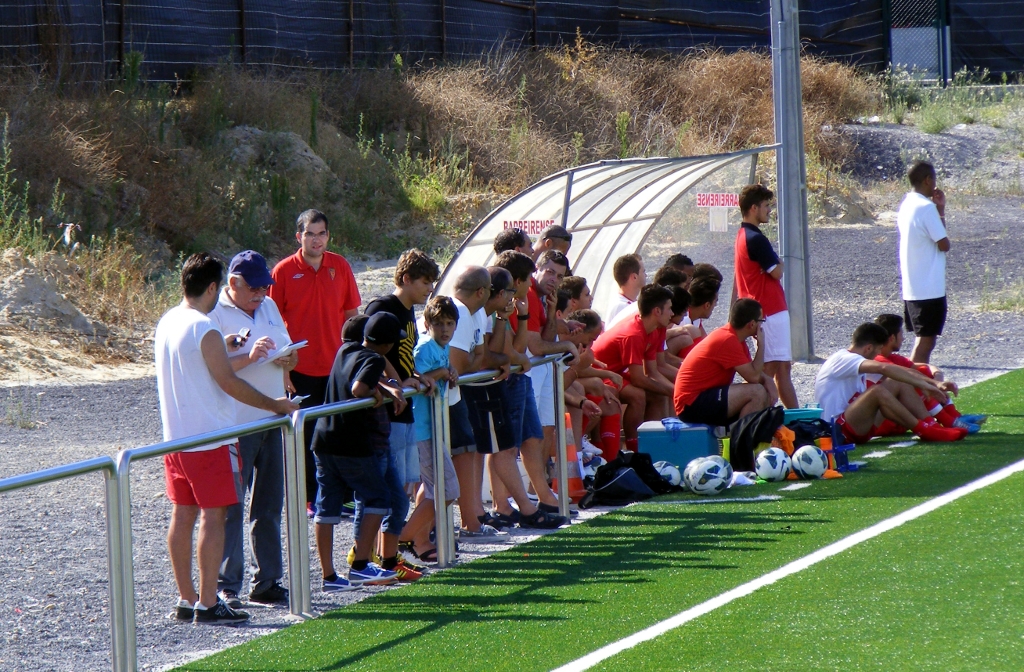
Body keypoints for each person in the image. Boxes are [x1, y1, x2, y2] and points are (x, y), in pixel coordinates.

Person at [156, 253, 298, 625]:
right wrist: (275, 404)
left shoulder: (168, 320)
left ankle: (187, 598)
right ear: (213, 287)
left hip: (176, 439)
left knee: (183, 515)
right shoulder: (204, 327)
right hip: (210, 438)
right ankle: (208, 602)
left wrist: (231, 345)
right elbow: (229, 382)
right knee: (215, 516)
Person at [209, 251, 296, 609]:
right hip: (237, 423)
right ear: (233, 283)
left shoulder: (269, 306)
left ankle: (268, 580)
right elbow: (212, 368)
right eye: (255, 288)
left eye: (265, 287)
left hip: (273, 419)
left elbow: (289, 350)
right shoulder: (213, 314)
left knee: (270, 505)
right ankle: (227, 585)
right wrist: (251, 356)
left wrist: (289, 358)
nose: (262, 294)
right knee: (231, 505)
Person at [311, 312, 417, 591]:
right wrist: (375, 393)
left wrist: (384, 388)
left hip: (323, 441)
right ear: (388, 344)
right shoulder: (375, 359)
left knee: (326, 508)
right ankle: (360, 567)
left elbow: (355, 377)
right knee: (378, 497)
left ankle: (329, 577)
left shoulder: (346, 350)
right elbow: (358, 388)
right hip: (351, 445)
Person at [269, 208, 362, 516]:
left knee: (340, 432)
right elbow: (271, 322)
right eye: (310, 234)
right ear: (299, 236)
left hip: (337, 367)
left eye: (322, 233)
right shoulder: (283, 271)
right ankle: (310, 498)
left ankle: (343, 495)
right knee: (306, 436)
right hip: (300, 369)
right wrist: (283, 370)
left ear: (328, 236)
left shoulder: (340, 266)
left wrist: (356, 359)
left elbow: (352, 316)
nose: (316, 240)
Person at [814, 322, 966, 443]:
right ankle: (926, 430)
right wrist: (924, 385)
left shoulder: (857, 361)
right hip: (837, 430)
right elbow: (884, 368)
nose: (877, 355)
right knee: (876, 391)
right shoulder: (842, 359)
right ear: (868, 348)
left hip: (857, 425)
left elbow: (901, 372)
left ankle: (931, 425)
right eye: (877, 350)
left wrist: (933, 383)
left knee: (897, 381)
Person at [364, 249, 439, 493]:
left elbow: (402, 355)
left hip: (405, 408)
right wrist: (395, 382)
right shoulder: (381, 307)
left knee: (406, 485)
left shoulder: (408, 310)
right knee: (388, 487)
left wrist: (417, 375)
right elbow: (367, 353)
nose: (430, 289)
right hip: (387, 410)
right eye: (425, 282)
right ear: (406, 279)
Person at [399, 296, 462, 562]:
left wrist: (450, 371)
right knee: (448, 490)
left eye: (449, 323)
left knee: (435, 488)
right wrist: (442, 373)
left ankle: (418, 540)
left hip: (433, 428)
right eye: (439, 324)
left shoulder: (441, 346)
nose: (445, 329)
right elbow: (418, 379)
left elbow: (441, 371)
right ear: (427, 324)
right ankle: (401, 539)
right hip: (422, 430)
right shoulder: (425, 347)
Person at [522, 251, 579, 510]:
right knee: (528, 436)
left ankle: (538, 491)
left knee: (545, 428)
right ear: (537, 268)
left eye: (560, 276)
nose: (554, 279)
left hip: (543, 368)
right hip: (529, 370)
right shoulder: (528, 293)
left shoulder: (545, 298)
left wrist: (553, 310)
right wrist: (567, 344)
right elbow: (536, 346)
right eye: (549, 272)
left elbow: (547, 337)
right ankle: (523, 495)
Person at [734, 184, 798, 409]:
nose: (769, 210)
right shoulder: (755, 238)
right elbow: (777, 271)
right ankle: (751, 415)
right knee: (769, 369)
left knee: (782, 368)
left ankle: (797, 418)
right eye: (766, 205)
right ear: (753, 208)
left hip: (767, 310)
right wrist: (779, 262)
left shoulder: (743, 235)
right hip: (769, 312)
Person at [591, 284, 676, 448]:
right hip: (598, 372)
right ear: (657, 311)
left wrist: (674, 390)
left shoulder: (656, 329)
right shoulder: (634, 334)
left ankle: (656, 443)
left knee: (659, 395)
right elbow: (638, 379)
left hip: (615, 372)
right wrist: (675, 391)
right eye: (669, 309)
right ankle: (634, 446)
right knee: (637, 395)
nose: (672, 313)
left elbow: (652, 371)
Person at [673, 298, 777, 426]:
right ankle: (741, 436)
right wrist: (761, 345)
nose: (761, 326)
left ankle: (741, 434)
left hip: (701, 397)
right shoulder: (728, 340)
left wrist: (767, 380)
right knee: (757, 392)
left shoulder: (735, 338)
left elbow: (752, 372)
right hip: (691, 404)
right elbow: (754, 377)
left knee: (762, 393)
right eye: (761, 321)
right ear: (751, 324)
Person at [873, 313, 985, 433]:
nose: (903, 339)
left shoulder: (892, 357)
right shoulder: (877, 359)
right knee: (911, 381)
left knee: (922, 372)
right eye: (901, 334)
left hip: (898, 418)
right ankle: (947, 422)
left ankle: (954, 417)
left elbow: (925, 367)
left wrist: (938, 378)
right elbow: (907, 374)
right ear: (892, 338)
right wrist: (934, 384)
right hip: (882, 422)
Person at [897, 160, 950, 364]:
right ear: (928, 180)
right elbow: (943, 244)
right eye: (934, 179)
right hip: (929, 287)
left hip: (913, 285)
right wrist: (939, 211)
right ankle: (913, 381)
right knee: (926, 342)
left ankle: (913, 379)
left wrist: (940, 209)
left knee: (923, 339)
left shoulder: (907, 204)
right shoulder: (926, 208)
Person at [605, 253, 645, 323]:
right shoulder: (621, 307)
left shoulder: (629, 302)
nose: (646, 275)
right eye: (643, 271)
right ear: (634, 277)